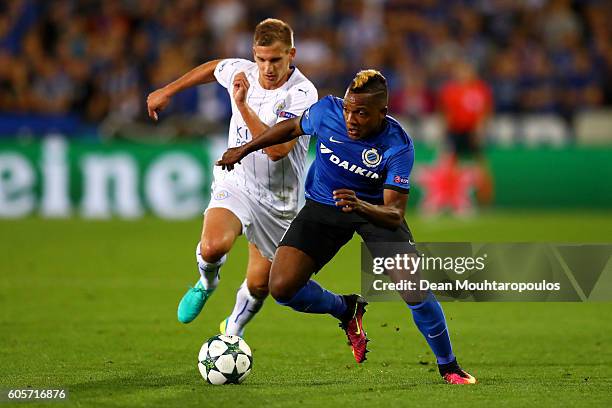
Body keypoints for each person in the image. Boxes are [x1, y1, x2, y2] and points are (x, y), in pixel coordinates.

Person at [217, 69, 477, 385]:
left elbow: (394, 213)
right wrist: (244, 149)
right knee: (282, 287)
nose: (351, 118)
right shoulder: (327, 111)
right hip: (324, 207)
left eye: (362, 113)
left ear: (382, 112)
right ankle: (346, 309)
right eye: (349, 109)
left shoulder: (397, 145)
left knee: (413, 287)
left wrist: (360, 205)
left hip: (374, 213)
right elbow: (290, 128)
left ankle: (448, 366)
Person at [146, 18, 318, 337]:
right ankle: (206, 283)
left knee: (259, 284)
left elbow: (279, 149)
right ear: (254, 53)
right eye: (262, 59)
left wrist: (241, 106)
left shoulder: (302, 93)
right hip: (237, 181)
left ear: (291, 54)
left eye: (276, 60)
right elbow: (214, 68)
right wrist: (168, 90)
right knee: (213, 247)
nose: (268, 68)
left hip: (279, 200)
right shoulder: (243, 71)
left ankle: (232, 331)